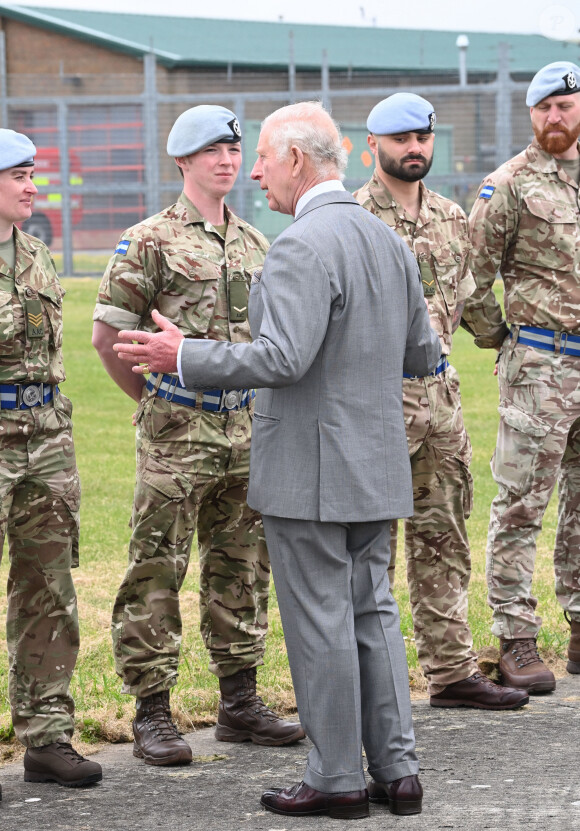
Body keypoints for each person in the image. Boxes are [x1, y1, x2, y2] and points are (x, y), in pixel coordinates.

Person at [112, 101, 441, 819]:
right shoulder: (388, 240)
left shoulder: (299, 243)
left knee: (322, 620)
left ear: (295, 160)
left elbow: (282, 358)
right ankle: (399, 770)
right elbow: (423, 352)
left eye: (261, 155)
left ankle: (335, 778)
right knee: (373, 615)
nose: (253, 170)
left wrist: (183, 353)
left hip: (311, 469)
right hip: (377, 462)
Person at [92, 105, 304, 766]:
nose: (227, 160)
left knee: (242, 567)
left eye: (234, 149)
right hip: (176, 434)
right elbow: (108, 338)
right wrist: (159, 400)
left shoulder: (257, 242)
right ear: (183, 160)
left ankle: (239, 701)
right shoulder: (149, 240)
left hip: (246, 429)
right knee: (157, 567)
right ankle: (152, 710)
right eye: (211, 149)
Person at [354, 93, 528, 711]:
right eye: (400, 140)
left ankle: (451, 672)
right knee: (370, 543)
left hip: (441, 398)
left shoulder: (454, 218)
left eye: (423, 138)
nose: (414, 149)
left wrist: (500, 339)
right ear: (371, 145)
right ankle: (364, 680)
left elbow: (473, 296)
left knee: (444, 535)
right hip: (376, 398)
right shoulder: (352, 219)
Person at [462, 61, 580, 692]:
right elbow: (474, 278)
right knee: (521, 505)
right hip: (540, 364)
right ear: (529, 115)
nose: (554, 118)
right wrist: (502, 339)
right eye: (543, 109)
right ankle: (516, 639)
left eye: (564, 105)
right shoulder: (508, 185)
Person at [0, 129, 101, 788]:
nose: (33, 186)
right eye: (19, 175)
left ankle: (46, 735)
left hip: (44, 434)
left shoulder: (36, 253)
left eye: (32, 174)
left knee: (49, 587)